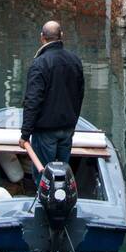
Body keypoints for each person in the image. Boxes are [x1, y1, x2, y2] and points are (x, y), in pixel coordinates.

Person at [20, 20, 84, 185]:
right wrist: (73, 121)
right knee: (62, 174)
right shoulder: (75, 60)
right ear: (61, 36)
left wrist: (25, 134)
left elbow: (32, 101)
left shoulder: (39, 64)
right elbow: (80, 95)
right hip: (67, 128)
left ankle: (45, 203)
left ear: (42, 38)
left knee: (45, 177)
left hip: (45, 132)